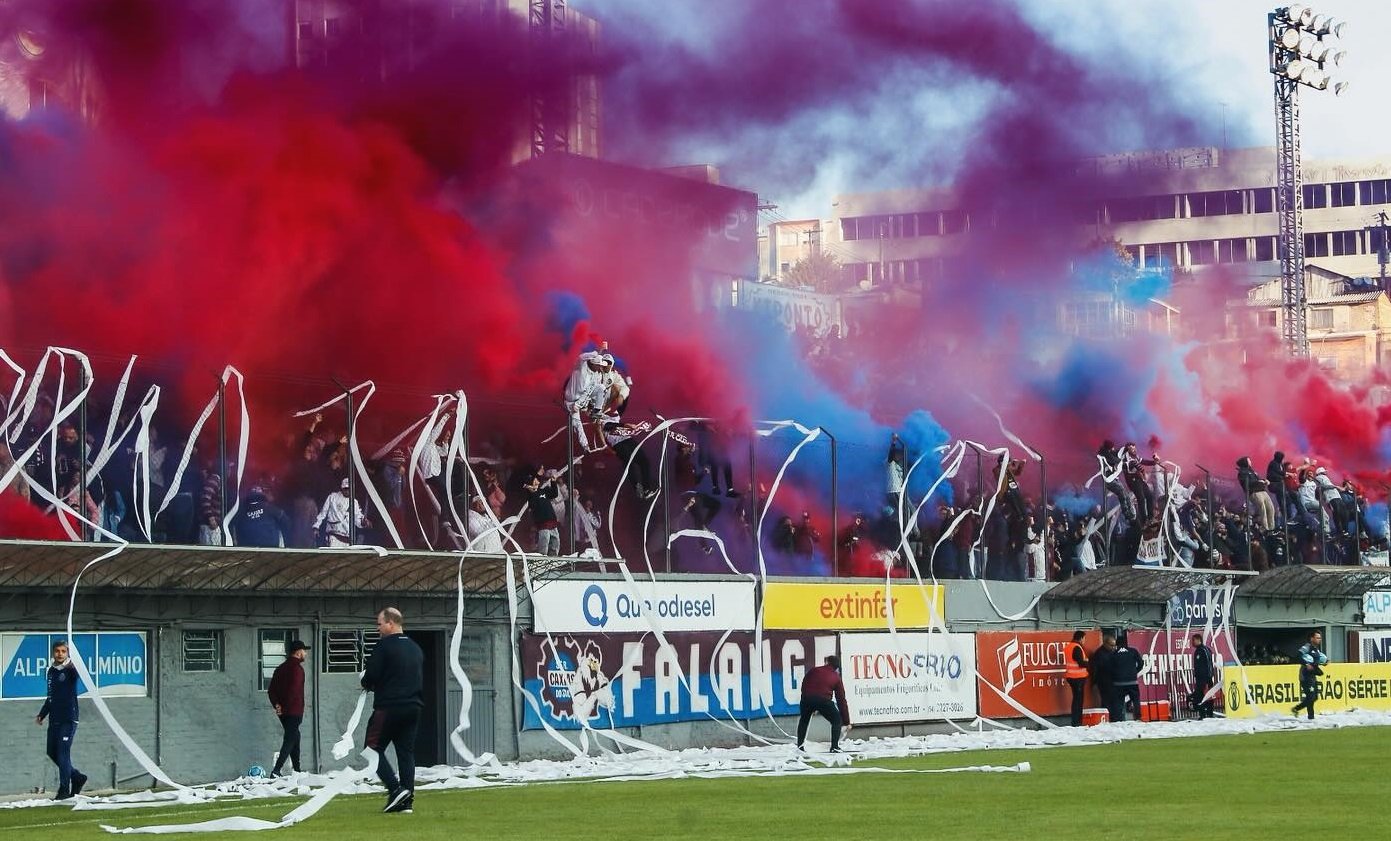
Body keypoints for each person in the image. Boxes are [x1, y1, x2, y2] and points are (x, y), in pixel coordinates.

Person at [362, 608, 425, 814]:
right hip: (413, 707)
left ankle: (395, 789)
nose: (377, 628)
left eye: (379, 623)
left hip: (389, 707)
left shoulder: (384, 646)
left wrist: (364, 682)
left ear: (390, 623)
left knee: (371, 749)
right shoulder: (415, 648)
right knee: (405, 754)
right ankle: (407, 801)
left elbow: (371, 675)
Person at [35, 640, 87, 800]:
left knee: (63, 753)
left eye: (63, 651)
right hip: (55, 719)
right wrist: (42, 714)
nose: (60, 654)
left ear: (67, 653)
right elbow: (51, 696)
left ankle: (64, 789)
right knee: (52, 752)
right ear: (53, 653)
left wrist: (73, 661)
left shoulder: (71, 670)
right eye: (57, 651)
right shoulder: (51, 671)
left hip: (69, 719)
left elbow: (79, 671)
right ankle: (77, 777)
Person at [267, 640, 309, 776]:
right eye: (304, 651)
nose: (305, 654)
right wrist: (285, 706)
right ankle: (276, 770)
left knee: (295, 736)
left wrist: (277, 706)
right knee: (290, 739)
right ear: (298, 652)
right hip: (294, 711)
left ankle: (297, 770)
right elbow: (294, 690)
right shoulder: (297, 669)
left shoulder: (280, 668)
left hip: (283, 712)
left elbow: (271, 690)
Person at [795, 655, 851, 753]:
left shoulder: (813, 670)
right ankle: (834, 747)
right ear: (836, 667)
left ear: (827, 662)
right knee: (836, 720)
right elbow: (841, 700)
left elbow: (804, 683)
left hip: (806, 698)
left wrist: (806, 698)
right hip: (823, 700)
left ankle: (800, 747)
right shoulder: (836, 677)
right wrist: (846, 721)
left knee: (804, 720)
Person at [313, 478, 367, 547]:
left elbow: (357, 521)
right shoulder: (332, 497)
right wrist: (316, 526)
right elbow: (323, 513)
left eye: (349, 489)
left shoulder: (354, 502)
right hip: (334, 535)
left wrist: (363, 523)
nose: (347, 491)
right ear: (342, 488)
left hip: (348, 538)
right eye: (345, 488)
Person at [1106, 633, 1145, 722]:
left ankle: (1118, 719)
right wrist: (1135, 672)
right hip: (1132, 681)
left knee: (1118, 702)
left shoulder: (1113, 654)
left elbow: (1109, 668)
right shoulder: (1133, 651)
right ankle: (1138, 717)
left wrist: (1115, 676)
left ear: (1117, 644)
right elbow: (1141, 663)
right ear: (1127, 643)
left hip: (1118, 683)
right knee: (1135, 700)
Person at [1292, 630, 1329, 720]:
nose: (1319, 639)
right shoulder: (1307, 647)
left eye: (1320, 638)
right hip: (1305, 674)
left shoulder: (1316, 649)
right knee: (1311, 696)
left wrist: (1324, 662)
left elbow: (1317, 660)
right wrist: (1306, 664)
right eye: (1317, 638)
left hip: (1312, 675)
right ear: (1312, 638)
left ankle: (1297, 710)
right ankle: (1309, 716)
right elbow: (1298, 656)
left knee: (1314, 697)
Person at [1064, 630, 1089, 726]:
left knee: (1076, 700)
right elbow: (1080, 663)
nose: (1084, 641)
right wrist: (1089, 663)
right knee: (1078, 701)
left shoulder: (1068, 647)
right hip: (1078, 677)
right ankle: (1077, 722)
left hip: (1071, 676)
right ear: (1081, 638)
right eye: (1084, 638)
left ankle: (1076, 722)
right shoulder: (1077, 647)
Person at [1188, 633, 1215, 720]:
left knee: (1203, 696)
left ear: (1198, 640)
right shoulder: (1201, 650)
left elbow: (1208, 664)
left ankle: (1205, 714)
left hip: (1204, 679)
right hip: (1202, 678)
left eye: (1194, 640)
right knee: (1203, 696)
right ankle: (1205, 713)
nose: (1193, 642)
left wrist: (1208, 678)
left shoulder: (1203, 650)